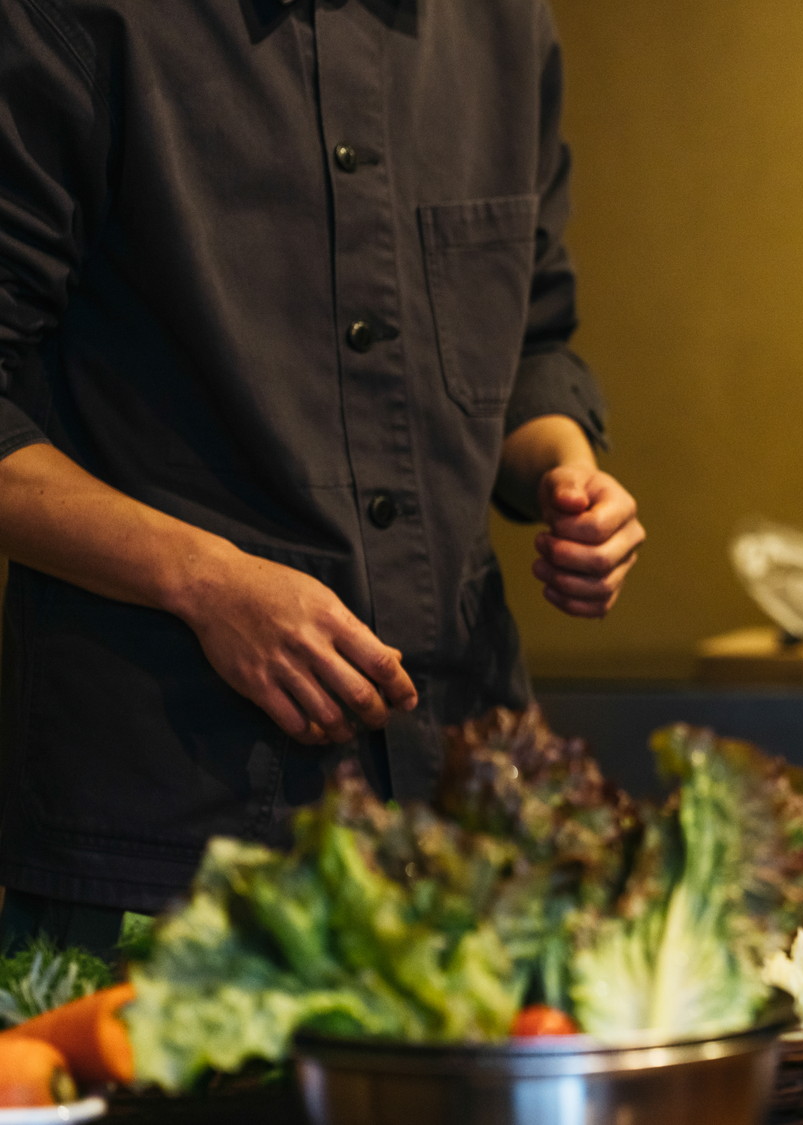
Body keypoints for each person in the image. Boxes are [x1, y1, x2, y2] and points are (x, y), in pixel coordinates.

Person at [0, 0, 644, 954]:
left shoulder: (507, 27)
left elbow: (529, 342)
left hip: (466, 821)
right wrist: (207, 583)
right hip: (168, 838)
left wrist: (566, 468)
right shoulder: (76, 19)